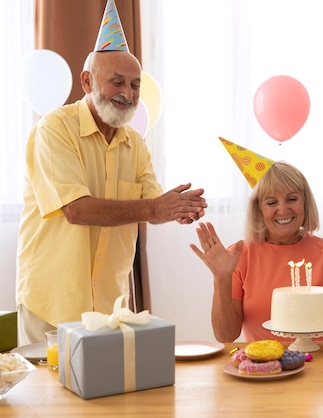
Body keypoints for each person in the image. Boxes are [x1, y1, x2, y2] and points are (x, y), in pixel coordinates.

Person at [16, 1, 207, 345]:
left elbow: (152, 201)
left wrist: (178, 207)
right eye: (117, 82)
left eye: (135, 85)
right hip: (52, 301)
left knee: (107, 397)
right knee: (48, 399)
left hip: (110, 306)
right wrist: (155, 208)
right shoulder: (54, 129)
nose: (128, 94)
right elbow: (77, 210)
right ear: (87, 81)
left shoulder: (135, 143)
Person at [191, 157, 323, 342]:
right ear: (258, 209)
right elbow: (226, 336)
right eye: (271, 202)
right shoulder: (238, 256)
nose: (283, 210)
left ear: (305, 202)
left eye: (292, 199)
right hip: (266, 369)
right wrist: (221, 279)